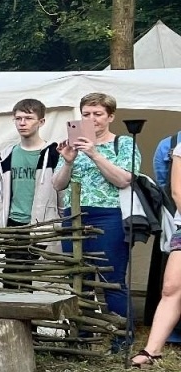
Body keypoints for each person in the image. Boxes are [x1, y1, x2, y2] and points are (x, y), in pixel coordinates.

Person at [52, 92, 139, 327]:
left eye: (98, 114)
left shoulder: (125, 143)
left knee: (112, 278)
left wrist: (94, 153)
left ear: (110, 116)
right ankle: (82, 336)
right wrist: (68, 160)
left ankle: (122, 337)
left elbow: (123, 180)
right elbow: (58, 185)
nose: (91, 119)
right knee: (78, 277)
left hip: (109, 215)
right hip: (74, 215)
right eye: (86, 114)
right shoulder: (73, 145)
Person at [0, 98, 61, 227]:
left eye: (29, 118)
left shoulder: (54, 153)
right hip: (12, 223)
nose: (22, 123)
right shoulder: (5, 156)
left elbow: (62, 193)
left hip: (43, 224)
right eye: (18, 118)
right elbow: (3, 193)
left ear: (41, 122)